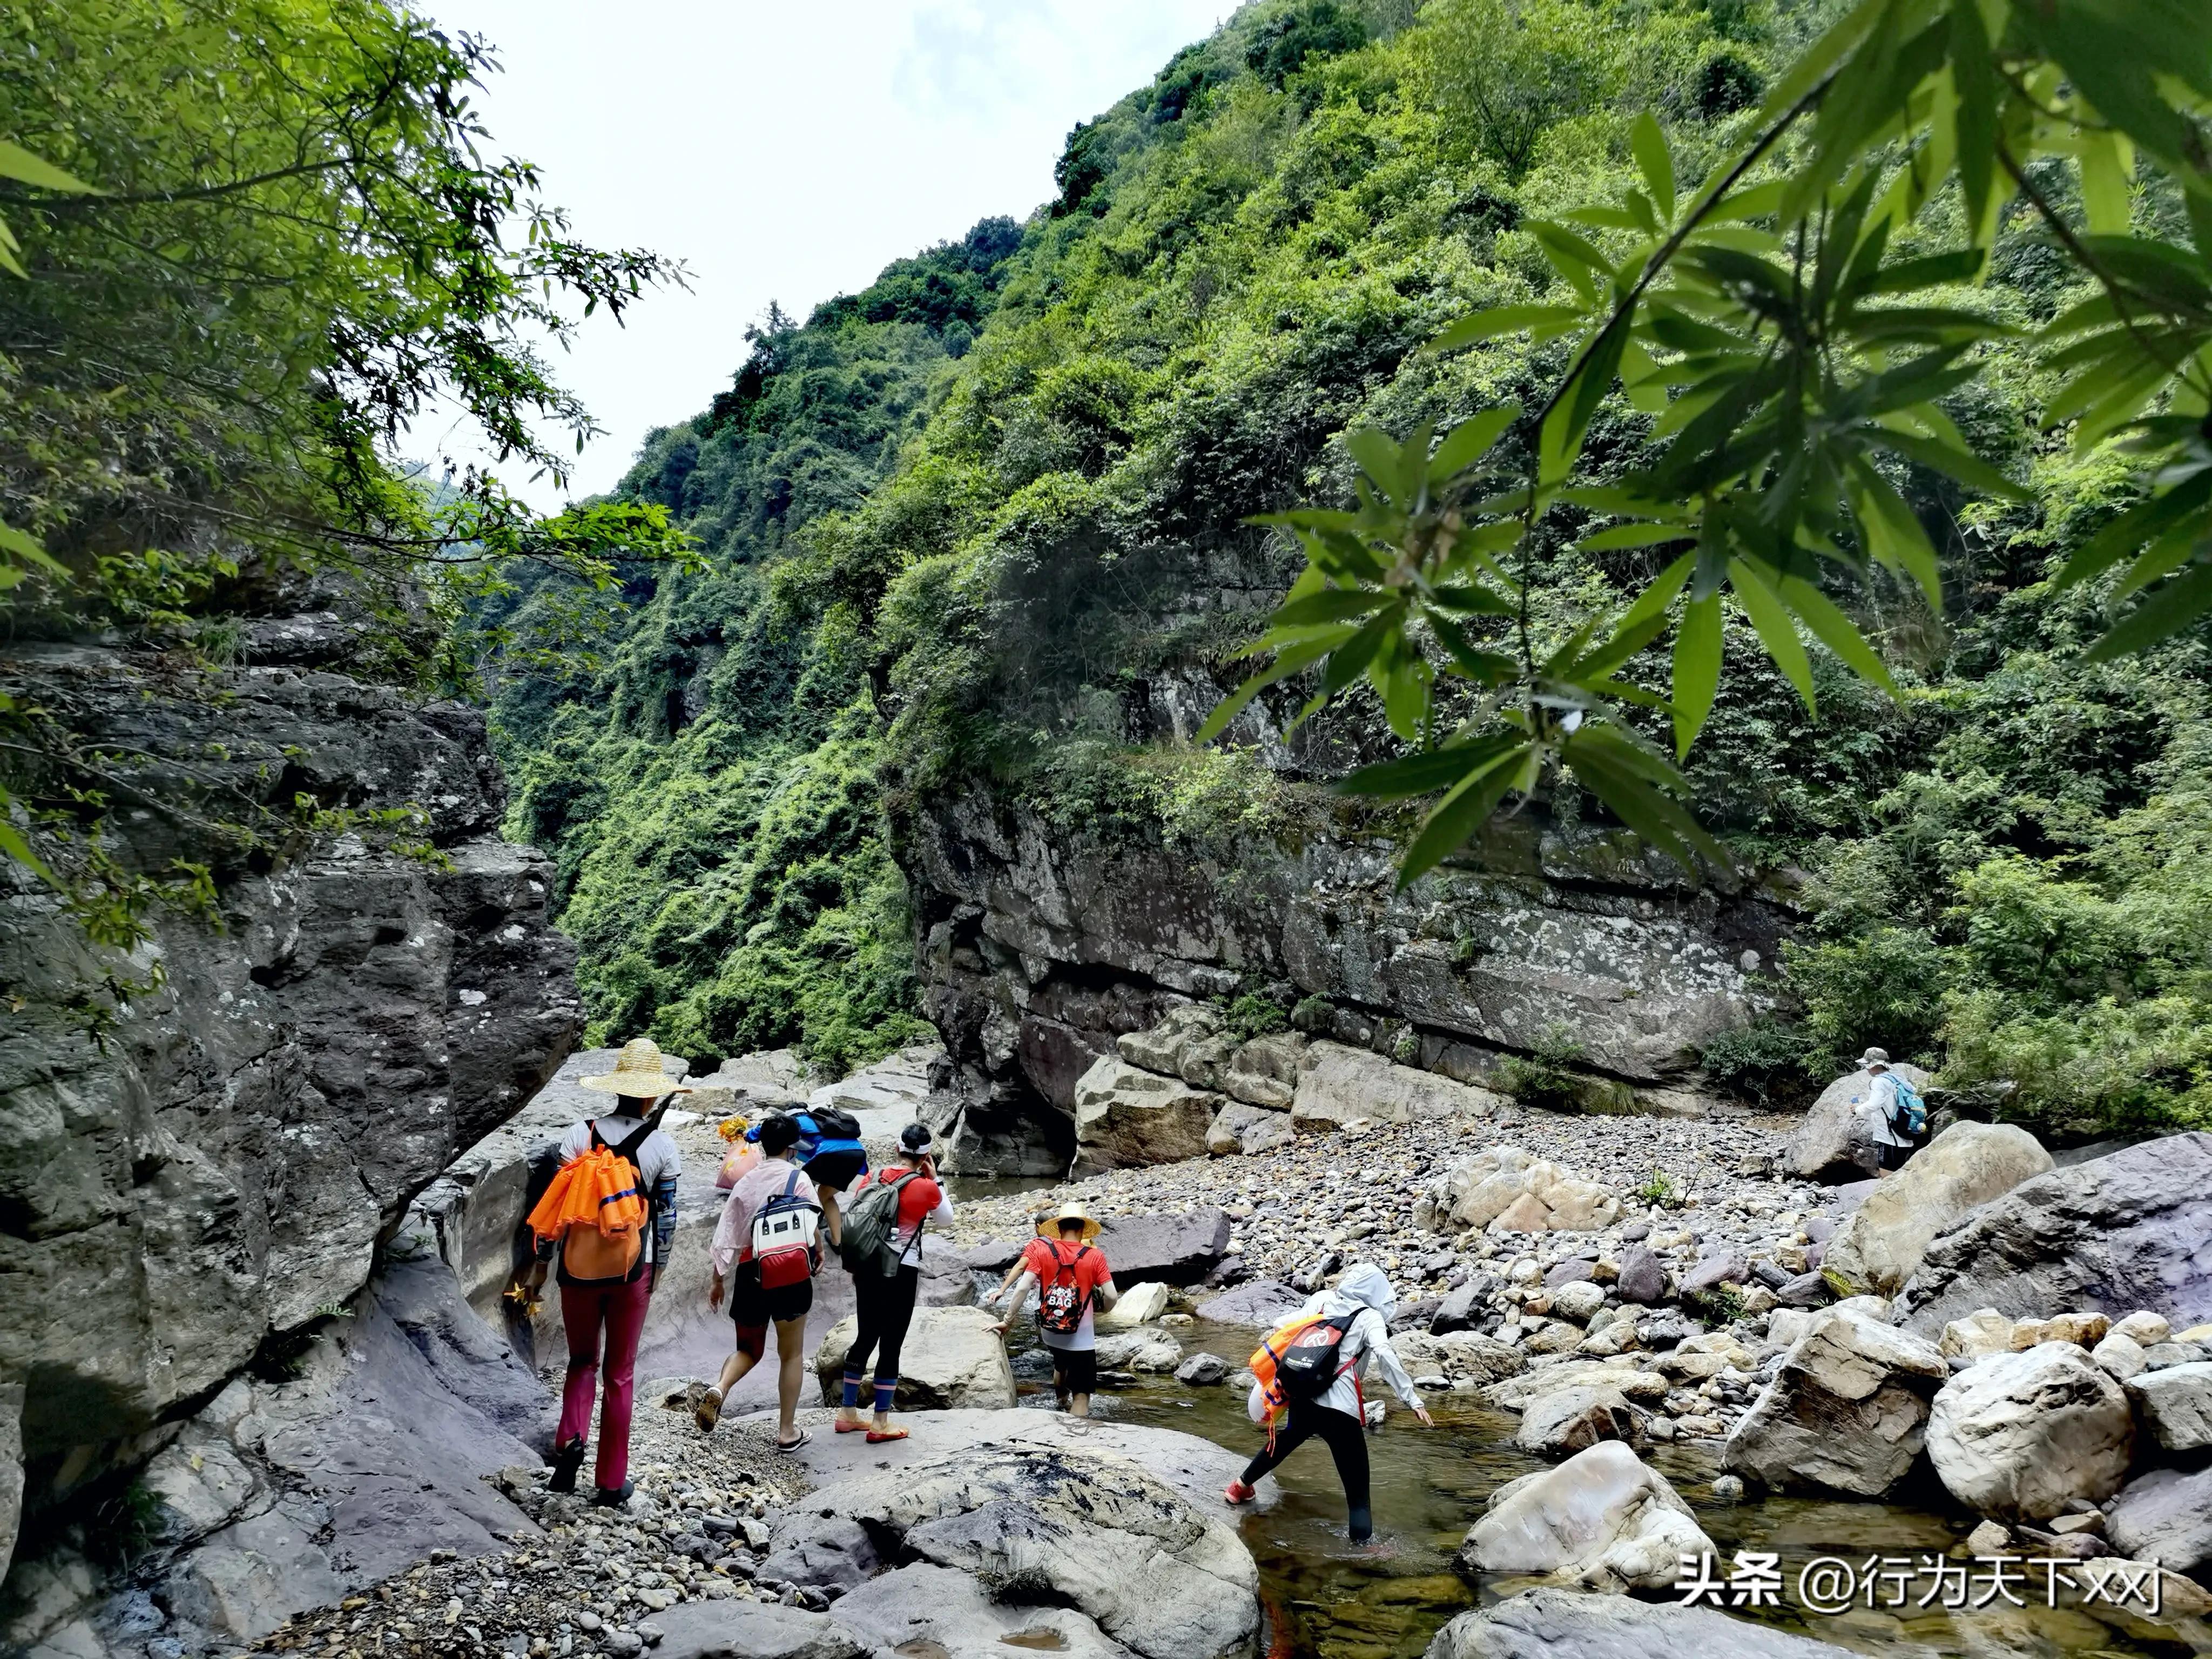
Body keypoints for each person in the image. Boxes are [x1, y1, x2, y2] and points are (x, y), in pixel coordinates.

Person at [513, 1038, 686, 1506]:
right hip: (633, 1273)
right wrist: (660, 1268)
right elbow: (666, 1219)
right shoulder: (662, 1147)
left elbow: (556, 1209)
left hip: (576, 1269)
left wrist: (542, 1264)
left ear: (616, 1089)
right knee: (621, 1373)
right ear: (652, 1096)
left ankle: (569, 1443)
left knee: (580, 1361)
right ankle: (611, 1481)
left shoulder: (578, 1135)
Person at [1224, 1263, 1432, 1546]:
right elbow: (1384, 1353)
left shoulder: (1323, 1299)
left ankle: (1240, 1487)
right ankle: (1362, 1548)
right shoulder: (1369, 1317)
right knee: (1358, 1486)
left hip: (1303, 1394)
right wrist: (1411, 1399)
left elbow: (1283, 1325)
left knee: (1286, 1441)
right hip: (1339, 1409)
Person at [698, 1112, 819, 1452]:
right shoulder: (800, 1179)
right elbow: (812, 1225)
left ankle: (721, 1388)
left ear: (762, 1144)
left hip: (753, 1271)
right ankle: (787, 1432)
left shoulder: (747, 1182)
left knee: (748, 1350)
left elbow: (727, 1236)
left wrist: (718, 1280)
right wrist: (818, 1253)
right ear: (793, 1146)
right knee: (791, 1354)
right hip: (791, 1275)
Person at [833, 1122, 952, 1442]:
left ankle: (847, 1413)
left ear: (897, 1148)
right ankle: (880, 1422)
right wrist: (935, 1177)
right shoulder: (926, 1186)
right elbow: (946, 1219)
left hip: (869, 1267)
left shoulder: (873, 1177)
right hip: (901, 1270)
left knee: (865, 1336)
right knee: (891, 1343)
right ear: (926, 1155)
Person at [990, 1202, 1118, 1417]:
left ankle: (1060, 1402)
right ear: (1082, 1230)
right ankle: (1072, 1438)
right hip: (1080, 1336)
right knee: (1082, 1394)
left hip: (1050, 1330)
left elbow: (1022, 1288)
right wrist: (1104, 1310)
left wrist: (1007, 1321)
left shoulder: (1043, 1252)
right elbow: (1112, 1296)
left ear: (1058, 1229)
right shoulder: (1094, 1256)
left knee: (1061, 1365)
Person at [745, 1104, 868, 1246]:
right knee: (825, 1194)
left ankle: (805, 1231)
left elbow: (769, 1128)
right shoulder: (822, 1123)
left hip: (828, 1153)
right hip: (857, 1155)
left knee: (798, 1187)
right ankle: (837, 1242)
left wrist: (749, 1136)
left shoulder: (799, 1121)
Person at [1856, 1047, 1921, 1170]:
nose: (1867, 1068)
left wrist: (1857, 1110)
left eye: (1867, 1065)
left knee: (1887, 1172)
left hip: (1890, 1135)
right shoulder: (1897, 1079)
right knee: (1900, 1170)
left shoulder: (1879, 1082)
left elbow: (1873, 1105)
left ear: (1874, 1065)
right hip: (1904, 1131)